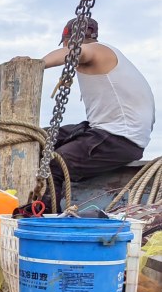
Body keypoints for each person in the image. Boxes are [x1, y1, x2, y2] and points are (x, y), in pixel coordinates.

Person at [39, 17, 155, 208]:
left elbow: (79, 51)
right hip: (107, 131)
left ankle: (44, 218)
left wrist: (38, 64)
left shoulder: (96, 51)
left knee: (54, 164)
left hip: (120, 139)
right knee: (39, 137)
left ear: (68, 41)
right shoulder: (107, 56)